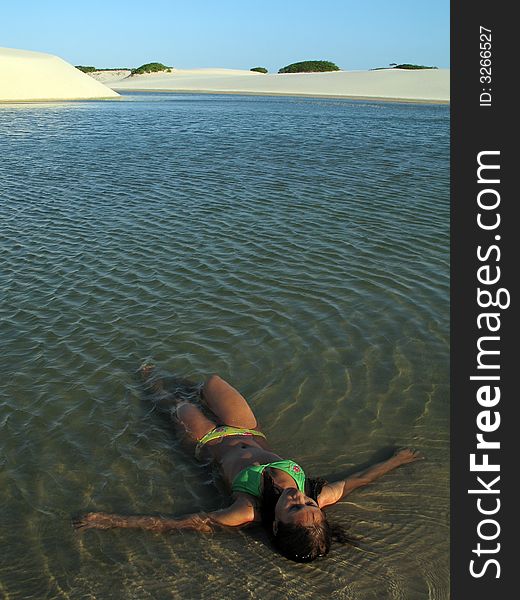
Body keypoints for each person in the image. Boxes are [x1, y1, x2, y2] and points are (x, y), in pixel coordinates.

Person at [74, 368, 423, 562]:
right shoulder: (318, 493)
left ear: (275, 525)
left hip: (206, 441)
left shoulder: (246, 510)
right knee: (210, 381)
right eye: (308, 504)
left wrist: (109, 520)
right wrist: (396, 460)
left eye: (294, 508)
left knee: (174, 402)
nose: (299, 498)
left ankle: (144, 373)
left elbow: (176, 523)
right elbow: (360, 479)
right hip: (248, 428)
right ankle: (172, 376)